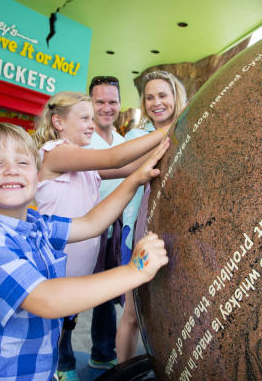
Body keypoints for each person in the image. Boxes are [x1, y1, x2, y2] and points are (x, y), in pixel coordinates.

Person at [0, 122, 169, 381]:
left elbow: (91, 223)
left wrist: (135, 179)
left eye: (23, 163)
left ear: (37, 177)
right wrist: (133, 271)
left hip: (36, 370)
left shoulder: (35, 224)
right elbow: (46, 300)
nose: (12, 170)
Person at [31, 90, 170, 381]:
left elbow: (129, 167)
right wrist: (169, 128)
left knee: (64, 326)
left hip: (77, 270)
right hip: (55, 268)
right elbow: (115, 157)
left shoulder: (86, 167)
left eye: (92, 119)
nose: (92, 125)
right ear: (58, 121)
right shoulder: (56, 152)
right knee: (45, 333)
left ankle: (56, 366)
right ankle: (52, 369)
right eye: (84, 118)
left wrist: (162, 151)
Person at [118, 70, 188, 363]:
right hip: (140, 228)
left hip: (180, 231)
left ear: (176, 97)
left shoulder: (190, 131)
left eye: (162, 95)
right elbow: (126, 170)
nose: (156, 102)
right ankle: (122, 370)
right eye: (149, 97)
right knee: (132, 314)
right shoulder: (136, 136)